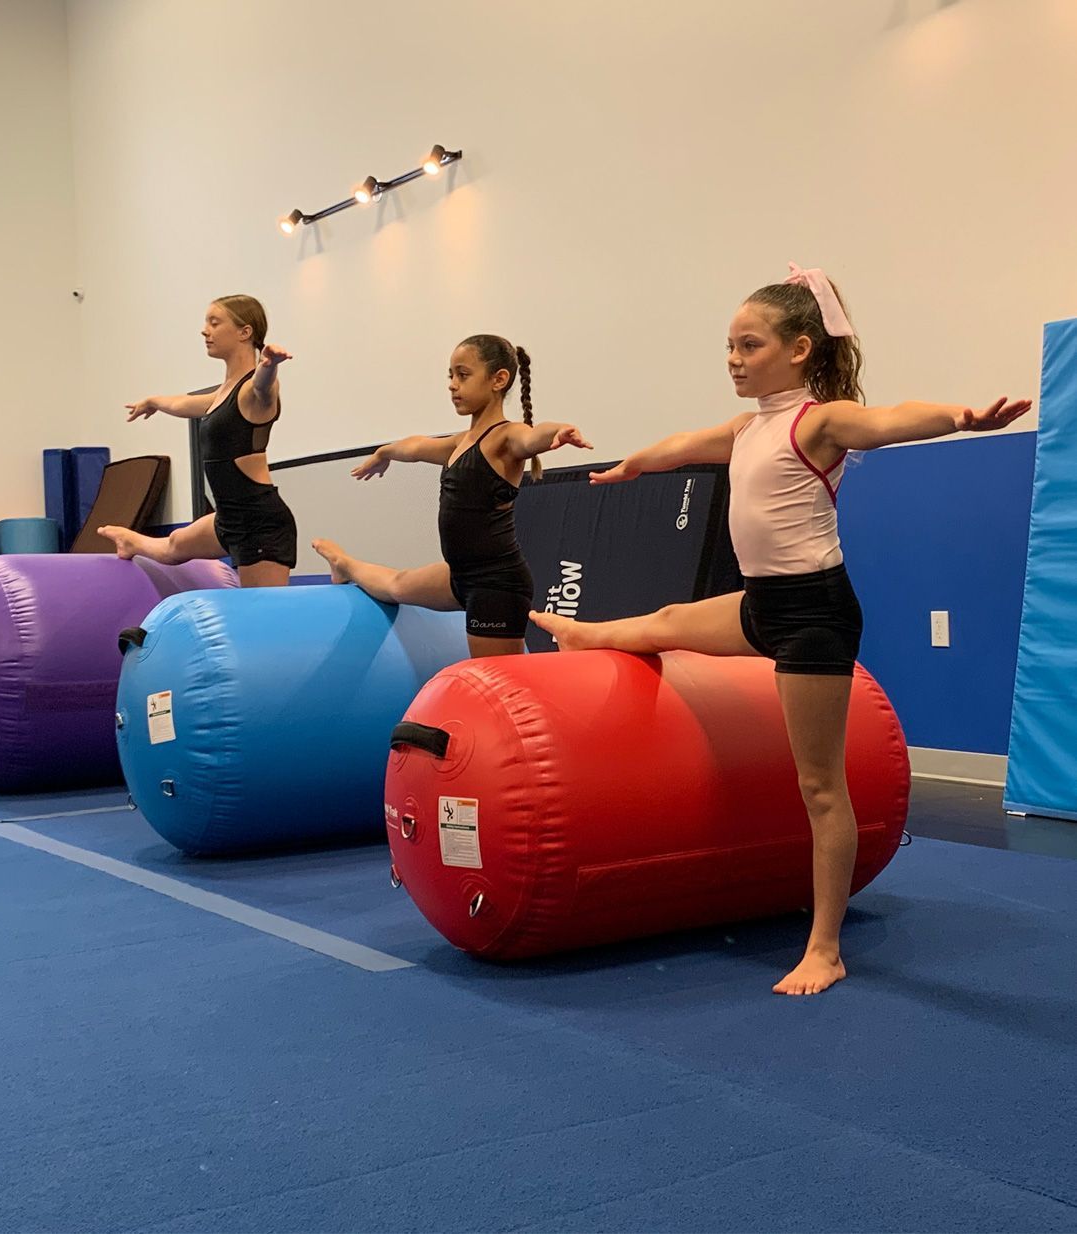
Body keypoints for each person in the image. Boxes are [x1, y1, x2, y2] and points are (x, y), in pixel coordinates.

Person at [531, 264, 1031, 996]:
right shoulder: (747, 426)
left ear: (799, 348)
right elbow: (686, 444)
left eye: (749, 345)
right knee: (666, 621)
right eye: (728, 347)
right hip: (761, 602)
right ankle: (587, 636)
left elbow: (891, 419)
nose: (734, 359)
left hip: (813, 614)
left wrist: (961, 418)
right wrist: (634, 465)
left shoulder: (817, 421)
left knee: (820, 786)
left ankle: (824, 946)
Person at [312, 334, 592, 657]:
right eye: (450, 375)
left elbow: (531, 437)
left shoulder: (504, 437)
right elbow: (416, 447)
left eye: (463, 374)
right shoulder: (461, 442)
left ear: (498, 380)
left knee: (496, 688)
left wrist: (558, 432)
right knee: (396, 585)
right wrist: (384, 452)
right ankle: (343, 564)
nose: (452, 385)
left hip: (494, 584)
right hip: (459, 575)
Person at [99, 295, 297, 587]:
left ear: (245, 332)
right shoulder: (221, 395)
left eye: (214, 323)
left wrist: (269, 365)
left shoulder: (251, 391)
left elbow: (264, 387)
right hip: (229, 516)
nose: (205, 330)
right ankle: (131, 543)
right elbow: (182, 404)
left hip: (259, 522)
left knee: (261, 618)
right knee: (175, 544)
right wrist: (153, 401)